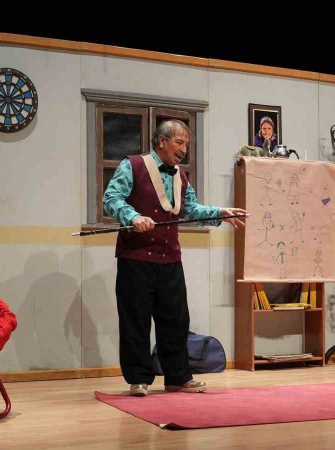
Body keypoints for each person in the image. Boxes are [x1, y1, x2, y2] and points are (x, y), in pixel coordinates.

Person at [103, 119, 247, 397]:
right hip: (136, 259)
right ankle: (138, 379)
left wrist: (219, 213)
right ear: (161, 141)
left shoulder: (180, 176)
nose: (184, 150)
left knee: (176, 321)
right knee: (136, 321)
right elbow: (112, 198)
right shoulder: (133, 165)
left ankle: (177, 378)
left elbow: (190, 209)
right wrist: (133, 216)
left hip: (170, 259)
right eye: (179, 142)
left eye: (187, 145)